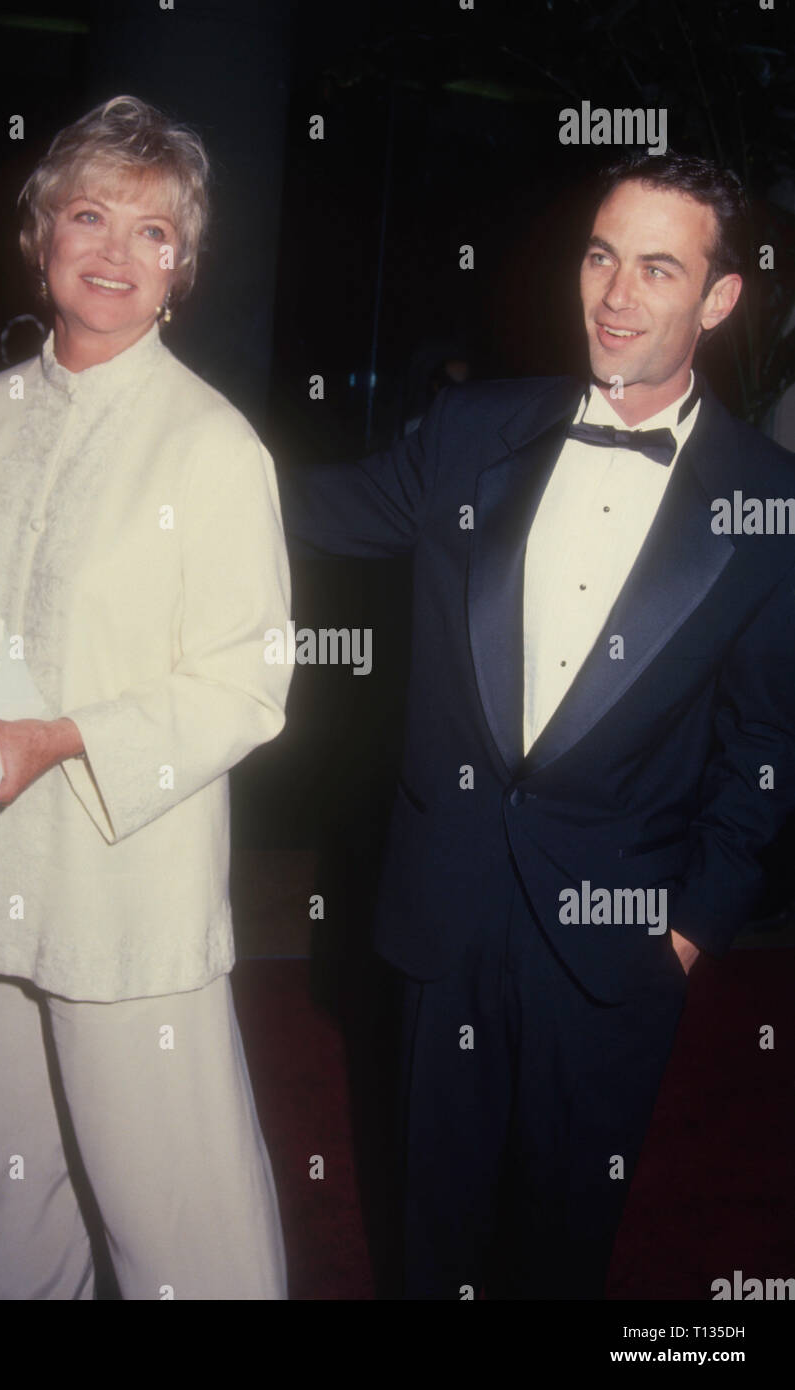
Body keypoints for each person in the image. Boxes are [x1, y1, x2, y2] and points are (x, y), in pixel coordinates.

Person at [280, 150, 795, 1299]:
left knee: (561, 1248)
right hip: (439, 911)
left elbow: (765, 744)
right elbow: (297, 513)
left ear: (715, 300)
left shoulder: (771, 504)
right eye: (601, 255)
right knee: (425, 1235)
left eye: (656, 268)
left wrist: (692, 926)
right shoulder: (471, 427)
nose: (614, 294)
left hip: (613, 945)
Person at [0, 94, 291, 1301]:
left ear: (181, 269)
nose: (114, 250)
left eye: (152, 233)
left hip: (122, 876)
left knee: (175, 1222)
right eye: (88, 215)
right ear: (40, 236)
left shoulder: (213, 446)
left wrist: (60, 739)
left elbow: (249, 682)